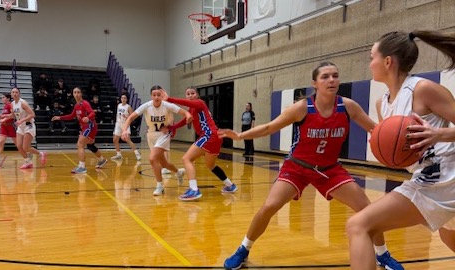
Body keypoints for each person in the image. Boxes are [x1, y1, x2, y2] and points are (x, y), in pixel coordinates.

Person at [220, 62, 403, 270]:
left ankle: (382, 254)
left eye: (335, 75)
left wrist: (398, 138)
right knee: (269, 206)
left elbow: (375, 130)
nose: (332, 80)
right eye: (325, 76)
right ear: (314, 83)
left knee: (368, 209)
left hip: (329, 169)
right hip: (297, 167)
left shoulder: (348, 106)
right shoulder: (303, 108)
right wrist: (241, 135)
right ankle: (243, 249)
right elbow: (271, 127)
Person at [346, 30, 455, 269]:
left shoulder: (423, 89)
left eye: (371, 56)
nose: (369, 63)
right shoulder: (382, 102)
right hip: (428, 178)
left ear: (387, 61)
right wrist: (380, 145)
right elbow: (398, 151)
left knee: (359, 225)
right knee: (451, 239)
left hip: (445, 179)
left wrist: (440, 134)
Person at [160, 87, 237, 201]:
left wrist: (169, 99)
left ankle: (194, 190)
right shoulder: (192, 109)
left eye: (192, 93)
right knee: (210, 165)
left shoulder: (200, 103)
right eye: (188, 94)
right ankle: (230, 185)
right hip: (216, 136)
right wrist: (172, 127)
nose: (190, 95)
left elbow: (184, 103)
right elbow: (185, 121)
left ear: (197, 95)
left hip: (209, 135)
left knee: (187, 159)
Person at [121, 85, 192, 196]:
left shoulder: (167, 105)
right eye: (154, 95)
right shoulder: (146, 106)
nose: (156, 97)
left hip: (163, 135)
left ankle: (160, 186)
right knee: (163, 163)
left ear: (161, 95)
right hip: (151, 136)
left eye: (159, 95)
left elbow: (183, 112)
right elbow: (131, 117)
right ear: (151, 96)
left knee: (152, 158)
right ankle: (179, 172)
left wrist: (188, 115)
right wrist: (124, 130)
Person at [51, 87, 107, 174]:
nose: (76, 94)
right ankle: (102, 160)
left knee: (80, 144)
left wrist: (87, 118)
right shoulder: (77, 106)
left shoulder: (84, 103)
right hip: (86, 127)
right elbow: (71, 116)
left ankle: (82, 167)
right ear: (73, 94)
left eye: (78, 92)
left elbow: (92, 113)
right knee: (90, 146)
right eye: (74, 92)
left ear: (81, 94)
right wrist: (60, 117)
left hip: (90, 126)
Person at [8, 87, 47, 169]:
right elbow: (13, 115)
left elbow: (32, 114)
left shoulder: (23, 103)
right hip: (21, 126)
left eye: (16, 92)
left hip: (28, 125)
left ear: (19, 94)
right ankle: (28, 162)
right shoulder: (12, 104)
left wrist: (21, 120)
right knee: (18, 145)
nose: (14, 94)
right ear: (11, 94)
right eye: (13, 92)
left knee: (25, 147)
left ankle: (41, 154)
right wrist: (3, 117)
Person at [111, 93, 142, 161]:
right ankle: (118, 154)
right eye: (122, 98)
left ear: (127, 99)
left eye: (124, 98)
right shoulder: (119, 105)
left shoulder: (128, 107)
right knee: (115, 140)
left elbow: (133, 117)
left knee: (127, 140)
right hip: (118, 124)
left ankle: (137, 153)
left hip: (125, 124)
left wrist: (127, 117)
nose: (123, 99)